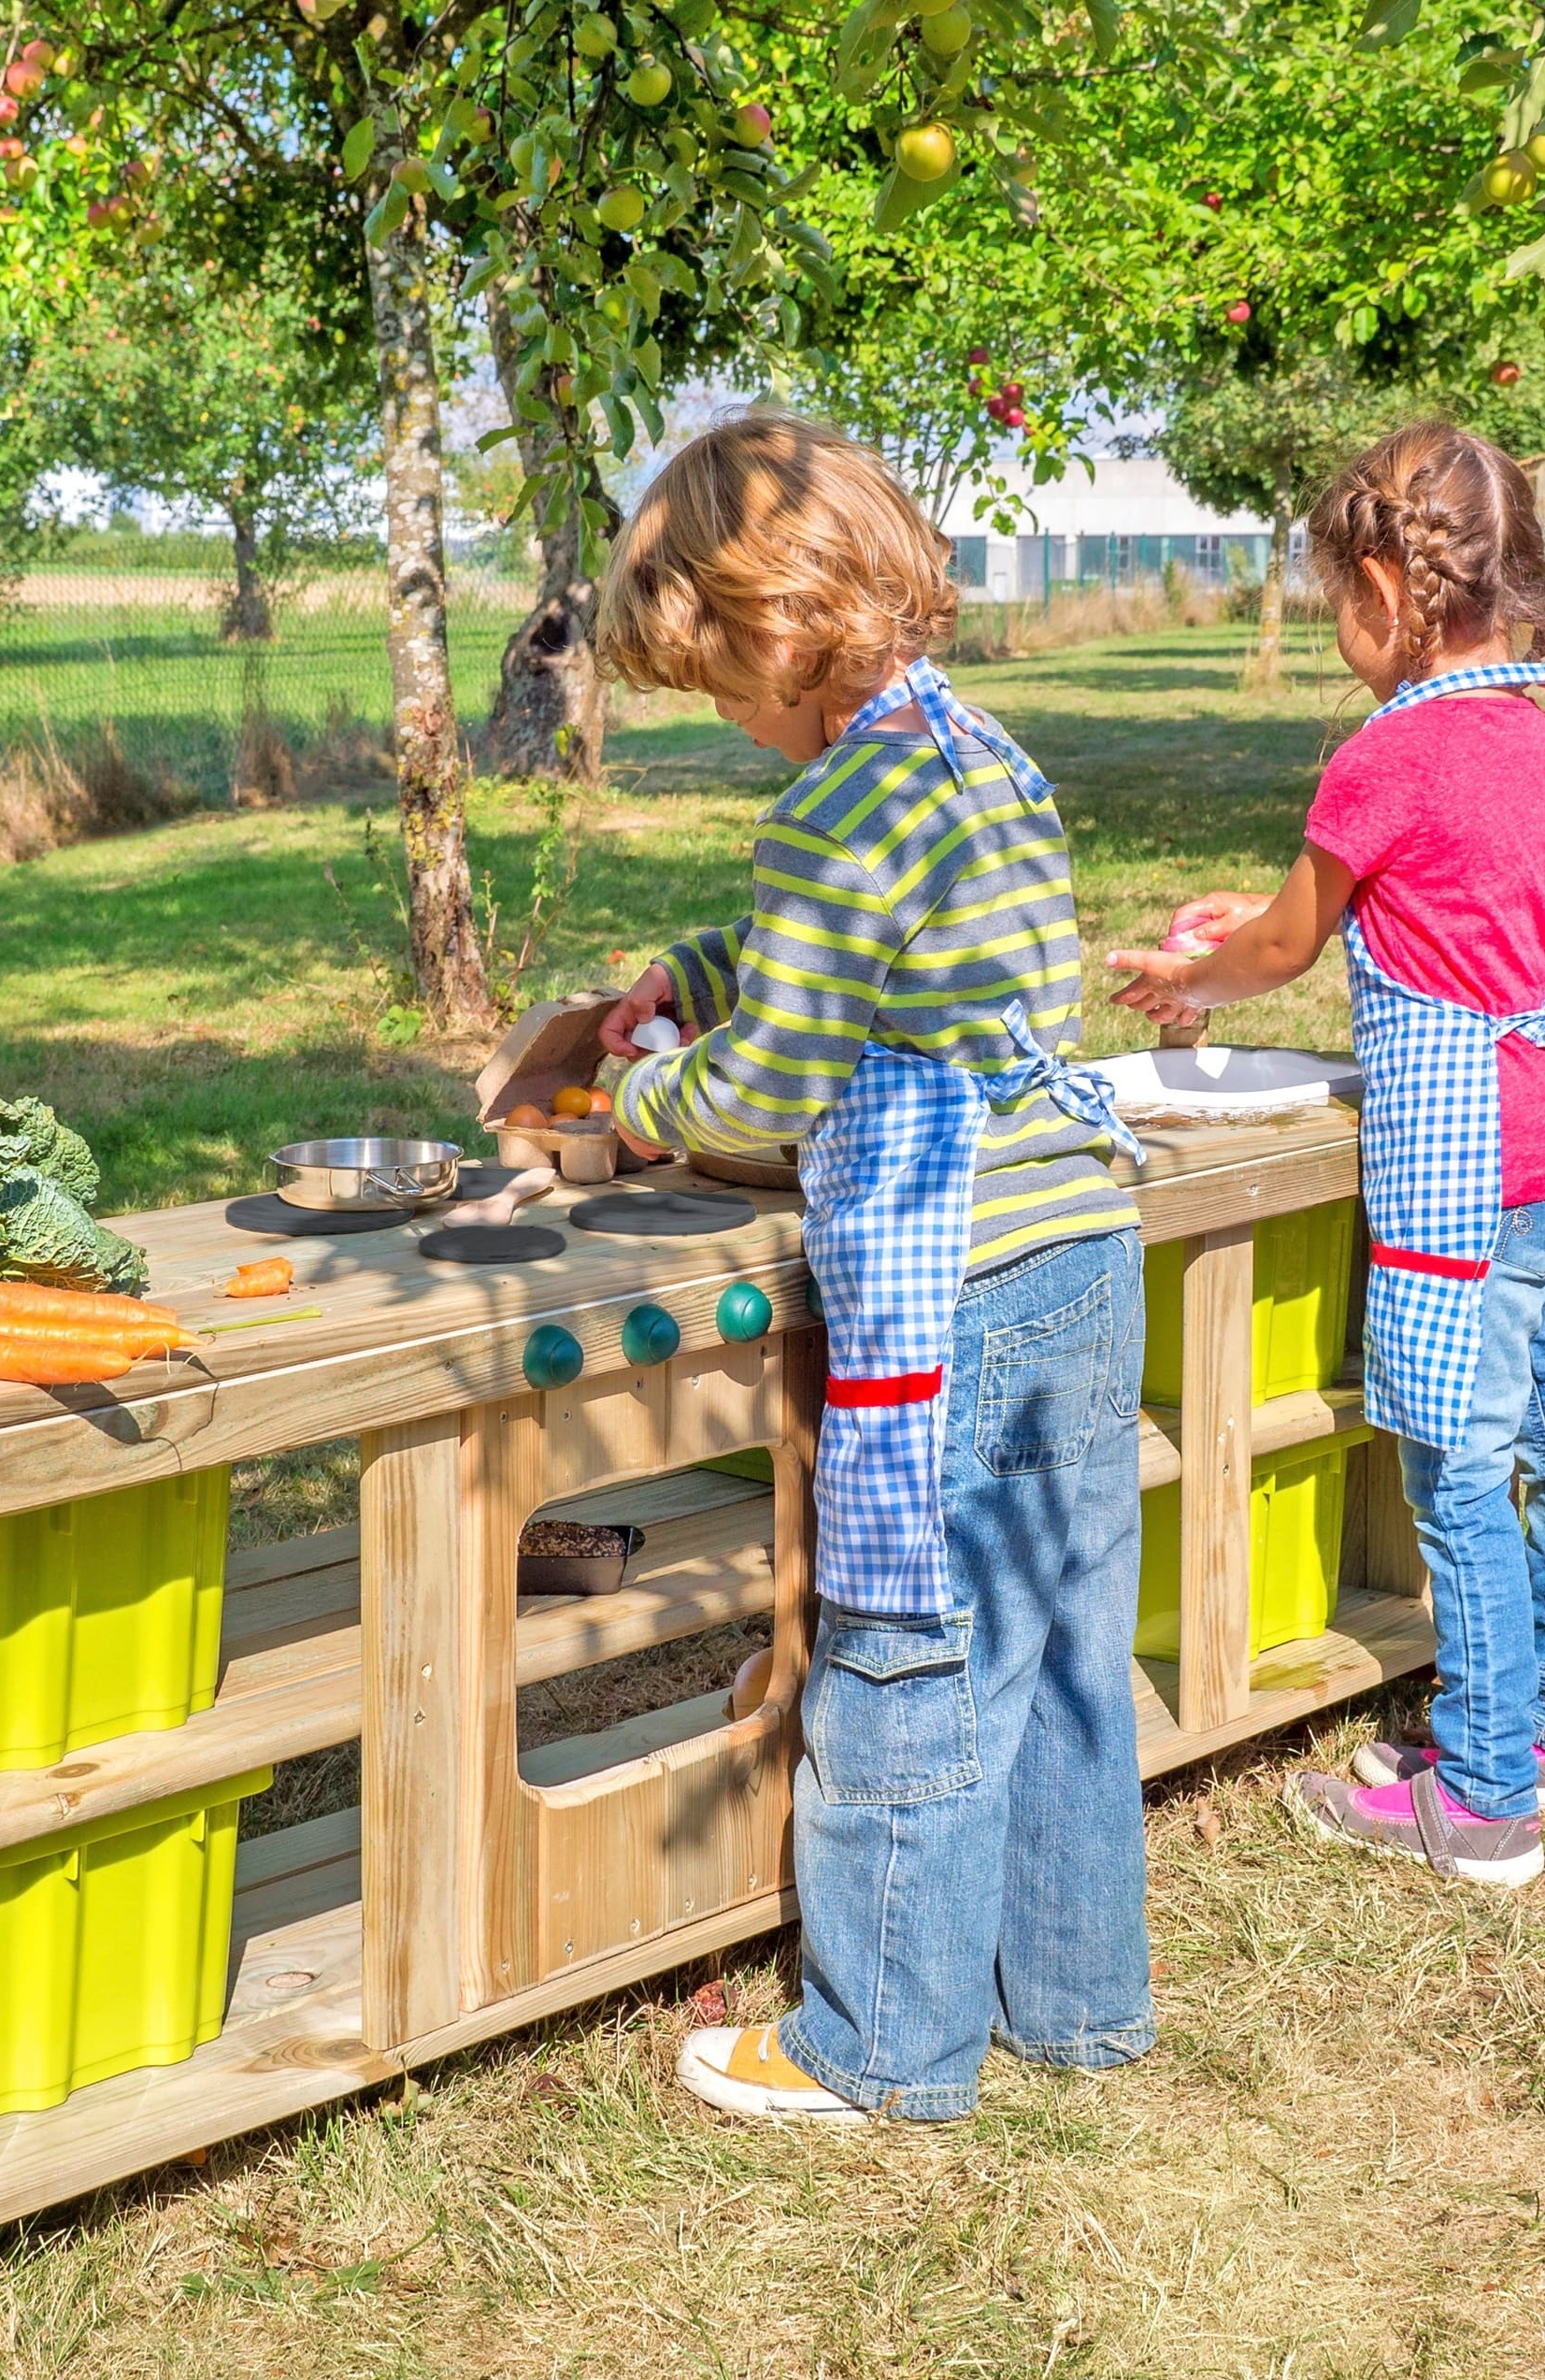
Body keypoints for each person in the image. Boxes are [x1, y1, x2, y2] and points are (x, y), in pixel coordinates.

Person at [589, 409, 1154, 2122]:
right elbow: (849, 957)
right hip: (1083, 1250)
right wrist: (696, 963)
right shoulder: (977, 753)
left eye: (721, 690)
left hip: (954, 1279)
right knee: (1063, 1638)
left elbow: (772, 1075)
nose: (730, 728)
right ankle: (1073, 1997)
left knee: (905, 1640)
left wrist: (646, 1091)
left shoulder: (831, 815)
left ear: (775, 633)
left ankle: (882, 2042)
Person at [1106, 419, 1545, 1890]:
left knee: (1458, 1466)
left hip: (1473, 1170)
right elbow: (1409, 904)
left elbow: (1291, 936)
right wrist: (1266, 916)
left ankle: (1480, 1799)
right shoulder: (1534, 734)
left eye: (1342, 589)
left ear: (1396, 586)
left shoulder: (1386, 752)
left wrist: (1203, 977)